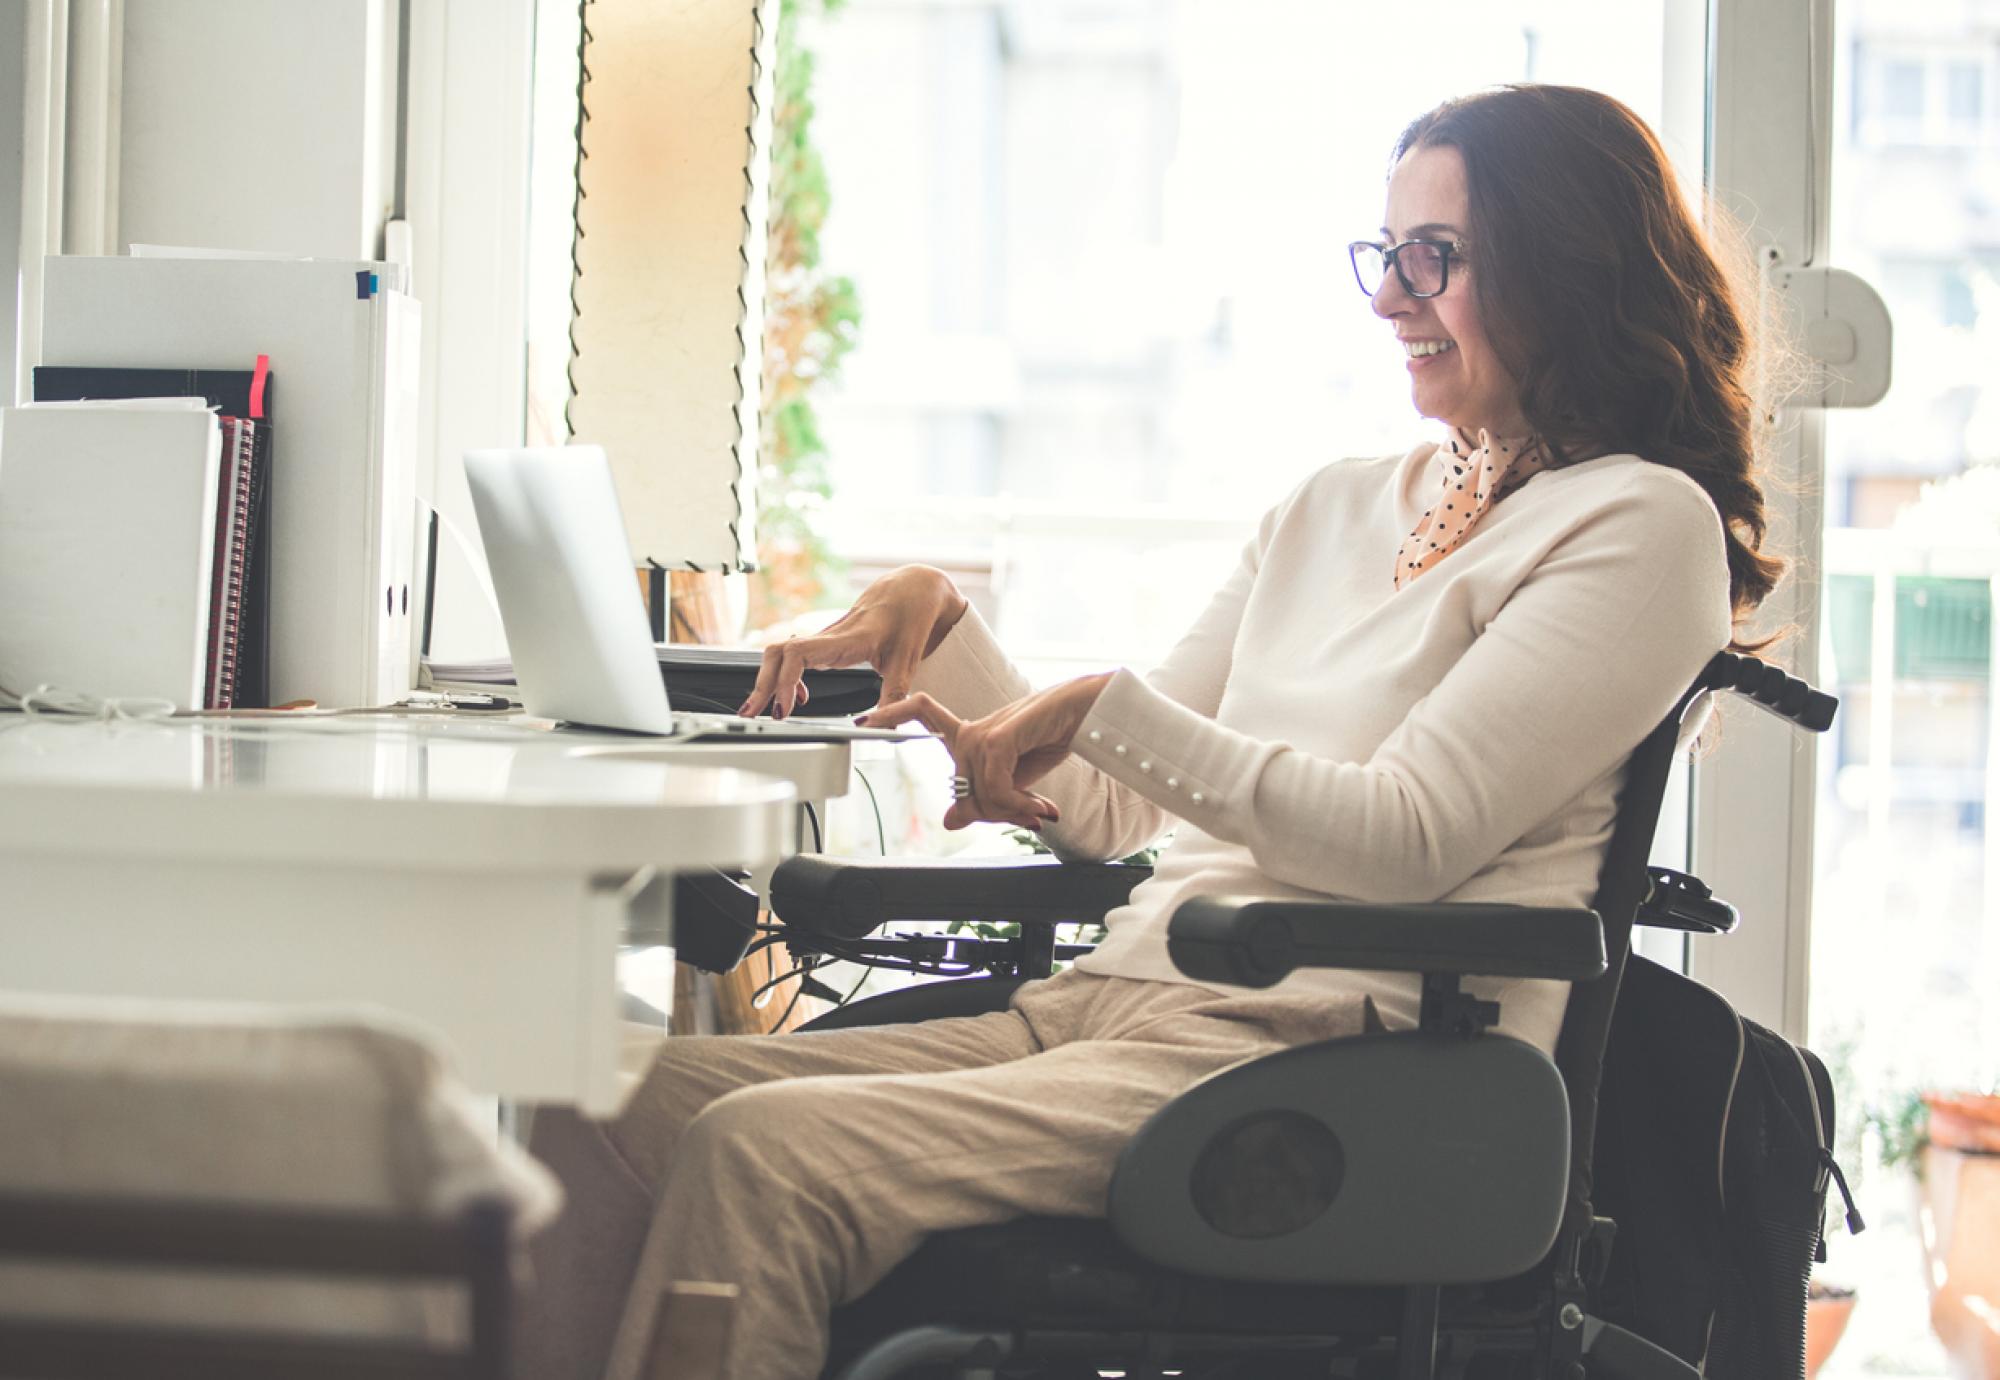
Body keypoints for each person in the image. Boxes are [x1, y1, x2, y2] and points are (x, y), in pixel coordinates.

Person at [517, 82, 1784, 1380]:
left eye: (1434, 259)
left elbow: (1408, 839)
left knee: (761, 1161)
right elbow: (1124, 808)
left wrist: (1106, 709)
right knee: (606, 1104)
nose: (1390, 298)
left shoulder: (1638, 528)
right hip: (1111, 1007)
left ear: (1564, 267)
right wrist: (940, 624)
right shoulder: (1332, 508)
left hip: (1326, 1058)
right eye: (1384, 255)